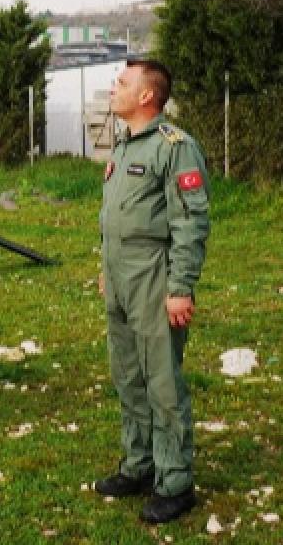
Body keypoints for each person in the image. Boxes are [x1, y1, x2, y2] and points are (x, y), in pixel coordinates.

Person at [95, 57, 210, 524]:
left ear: (147, 96)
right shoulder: (123, 145)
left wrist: (180, 287)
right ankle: (139, 465)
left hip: (154, 276)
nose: (113, 87)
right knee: (127, 375)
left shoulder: (175, 147)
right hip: (120, 276)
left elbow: (191, 219)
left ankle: (176, 482)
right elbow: (115, 216)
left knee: (162, 381)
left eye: (122, 82)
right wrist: (106, 266)